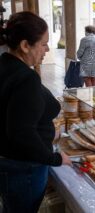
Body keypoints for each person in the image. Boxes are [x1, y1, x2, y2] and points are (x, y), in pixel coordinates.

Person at [0, 12, 71, 213]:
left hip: (8, 163)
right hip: (23, 168)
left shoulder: (5, 64)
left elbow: (14, 115)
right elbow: (21, 133)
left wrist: (49, 131)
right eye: (43, 44)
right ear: (25, 45)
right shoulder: (25, 78)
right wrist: (55, 158)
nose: (47, 49)